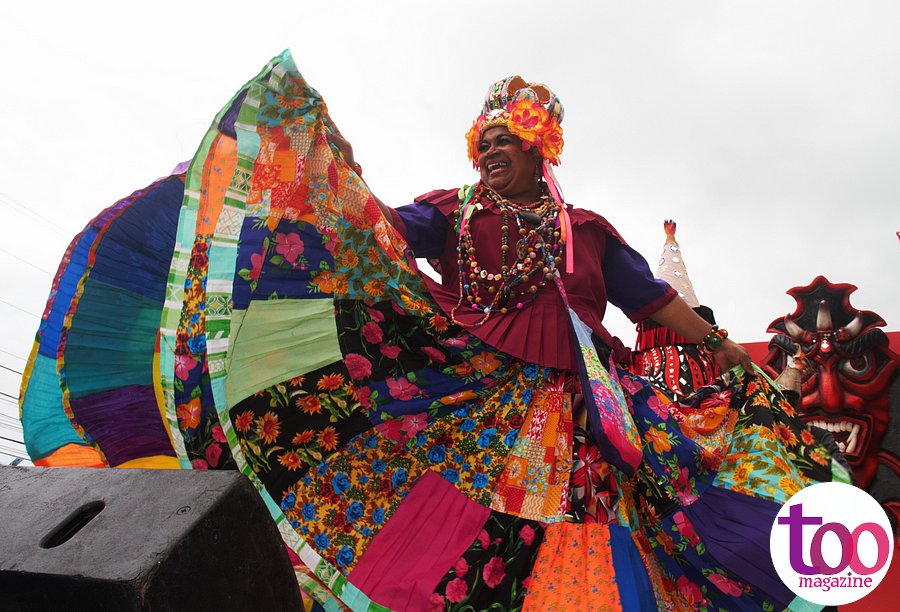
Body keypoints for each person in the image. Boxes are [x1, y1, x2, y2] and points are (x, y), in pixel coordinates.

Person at [301, 76, 836, 610]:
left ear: (537, 150)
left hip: (585, 405)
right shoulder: (456, 214)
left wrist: (717, 341)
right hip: (485, 399)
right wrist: (347, 172)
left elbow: (650, 297)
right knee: (480, 520)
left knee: (601, 519)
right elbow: (387, 229)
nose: (490, 152)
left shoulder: (585, 231)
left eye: (505, 140)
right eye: (483, 144)